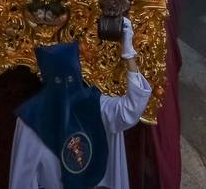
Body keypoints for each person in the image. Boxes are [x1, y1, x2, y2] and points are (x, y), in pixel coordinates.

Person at [8, 28, 150, 189]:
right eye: (58, 82)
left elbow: (133, 108)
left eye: (70, 79)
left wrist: (129, 52)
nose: (65, 90)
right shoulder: (30, 121)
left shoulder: (97, 107)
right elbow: (22, 182)